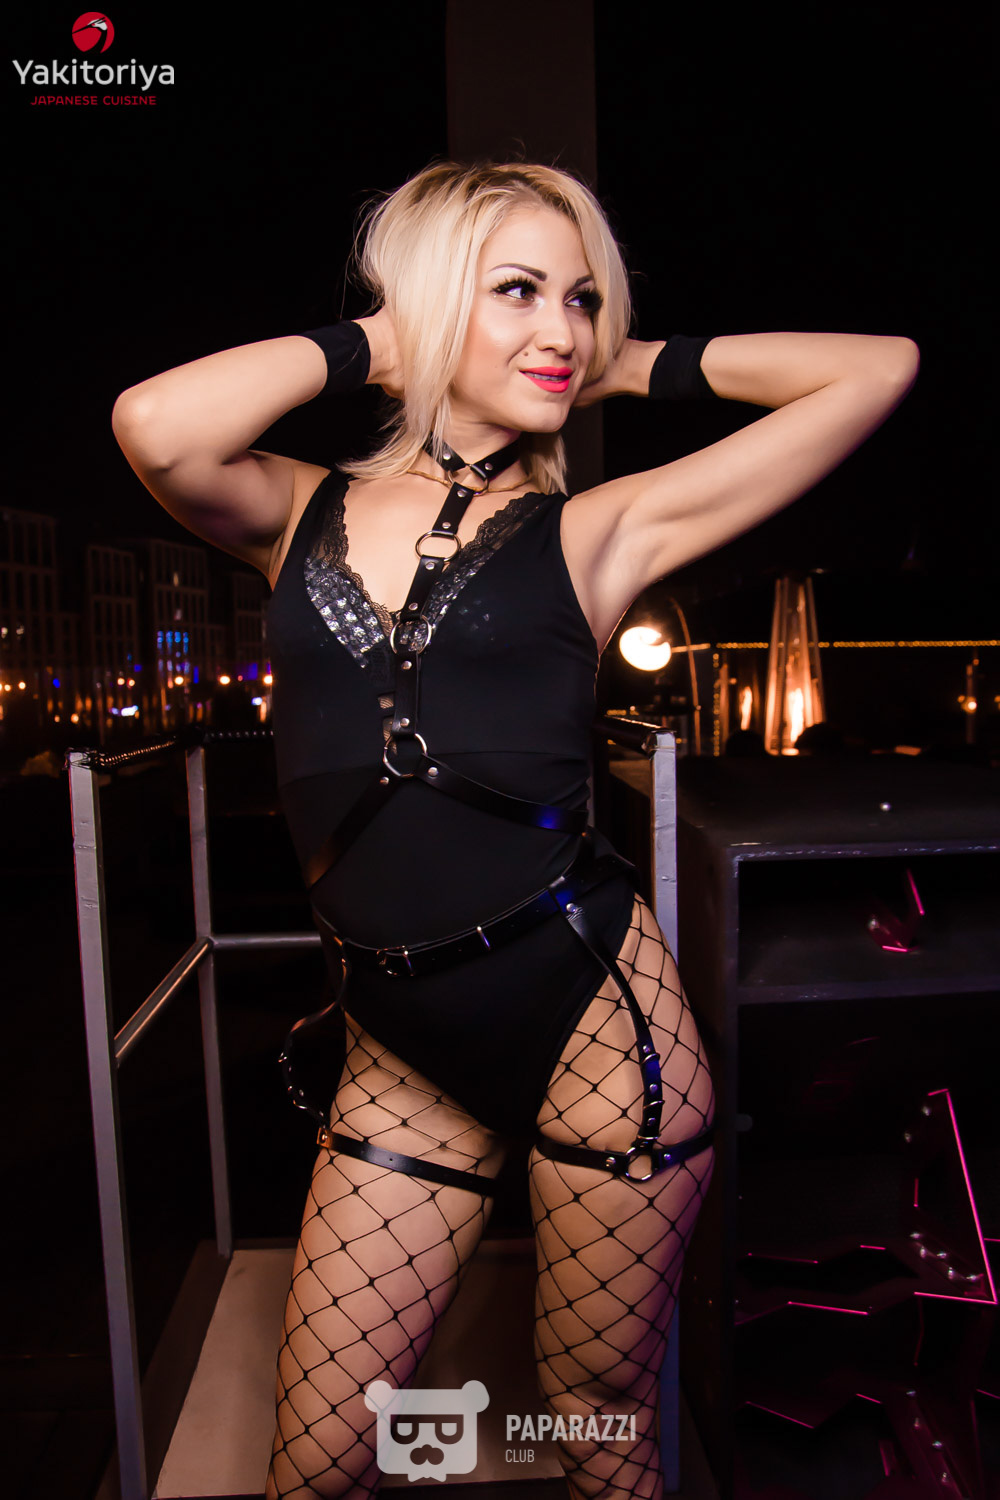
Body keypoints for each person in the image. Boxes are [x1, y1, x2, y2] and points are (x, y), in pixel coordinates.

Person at [111, 158, 919, 1499]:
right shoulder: (293, 509)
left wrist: (629, 363)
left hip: (601, 1043)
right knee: (318, 1461)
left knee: (594, 1423)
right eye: (520, 292)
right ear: (432, 301)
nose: (561, 330)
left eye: (583, 299)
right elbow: (153, 421)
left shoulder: (600, 530)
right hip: (396, 1050)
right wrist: (392, 338)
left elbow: (876, 370)